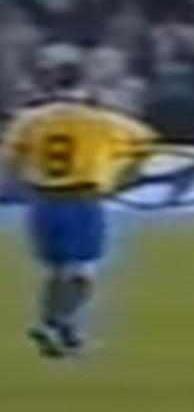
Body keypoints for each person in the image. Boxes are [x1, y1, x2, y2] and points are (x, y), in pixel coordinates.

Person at [1, 62, 157, 357]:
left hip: (43, 202)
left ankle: (59, 325)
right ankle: (56, 323)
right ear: (85, 85)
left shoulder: (29, 119)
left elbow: (10, 160)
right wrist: (122, 179)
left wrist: (16, 188)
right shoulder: (103, 120)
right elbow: (145, 142)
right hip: (82, 199)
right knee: (82, 272)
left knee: (57, 270)